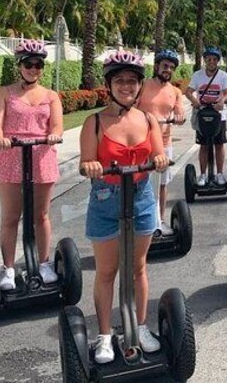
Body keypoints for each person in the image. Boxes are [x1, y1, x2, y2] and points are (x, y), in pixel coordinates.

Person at [78, 51, 169, 364]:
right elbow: (87, 159)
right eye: (120, 80)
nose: (126, 86)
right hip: (106, 197)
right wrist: (91, 165)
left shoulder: (147, 119)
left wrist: (159, 160)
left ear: (140, 85)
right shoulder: (94, 123)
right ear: (109, 85)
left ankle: (141, 326)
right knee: (107, 271)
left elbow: (159, 154)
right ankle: (104, 335)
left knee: (138, 267)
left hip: (142, 195)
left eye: (132, 81)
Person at [0, 40, 63, 291]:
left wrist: (53, 135)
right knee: (11, 216)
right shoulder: (5, 93)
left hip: (41, 156)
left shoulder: (51, 96)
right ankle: (8, 268)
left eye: (38, 64)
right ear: (19, 65)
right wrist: (1, 139)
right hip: (10, 156)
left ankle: (43, 263)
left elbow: (57, 126)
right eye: (28, 64)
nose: (33, 68)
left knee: (40, 215)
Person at [137, 49, 186, 235]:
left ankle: (160, 219)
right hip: (141, 143)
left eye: (171, 67)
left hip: (164, 143)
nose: (168, 70)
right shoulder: (143, 86)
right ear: (157, 66)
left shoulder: (175, 91)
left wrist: (179, 117)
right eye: (165, 66)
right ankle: (140, 220)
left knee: (162, 184)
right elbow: (131, 108)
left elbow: (179, 111)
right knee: (139, 183)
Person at [185, 46, 227, 187]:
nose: (211, 62)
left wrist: (221, 101)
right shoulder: (197, 75)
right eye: (208, 59)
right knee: (203, 146)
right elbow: (188, 92)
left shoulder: (223, 76)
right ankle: (203, 175)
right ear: (205, 60)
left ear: (218, 61)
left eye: (214, 59)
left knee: (219, 144)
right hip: (202, 115)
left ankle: (219, 174)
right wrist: (195, 102)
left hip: (218, 115)